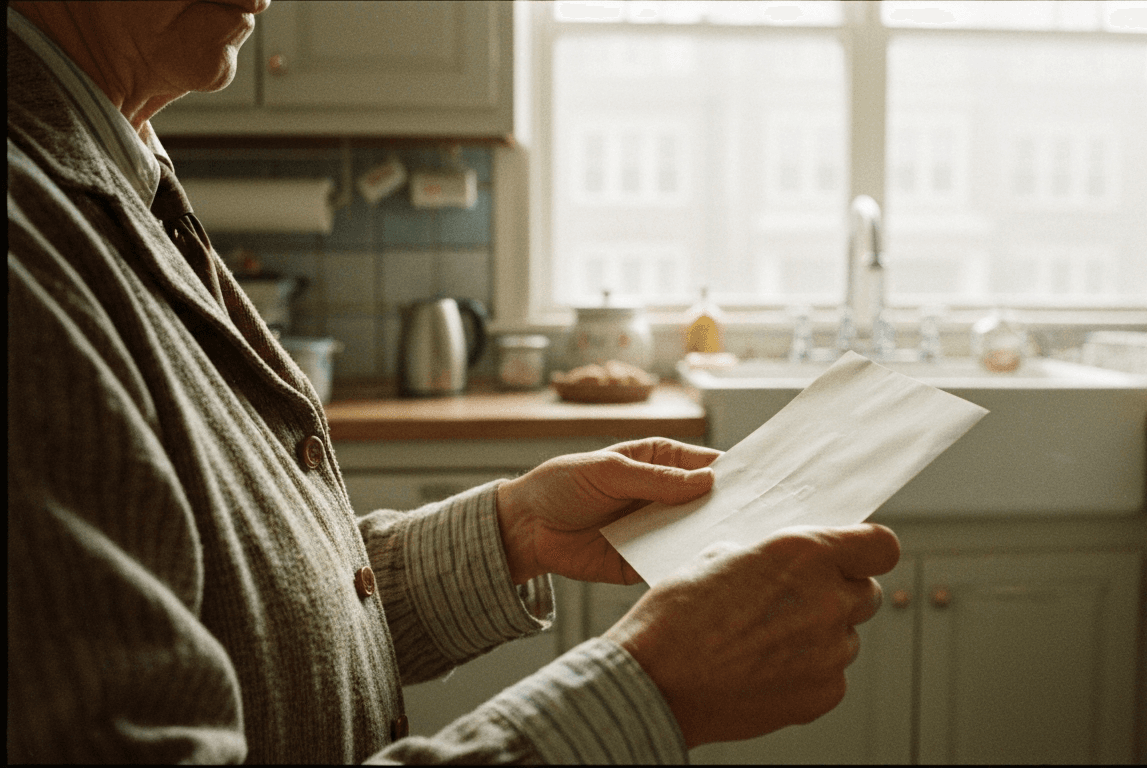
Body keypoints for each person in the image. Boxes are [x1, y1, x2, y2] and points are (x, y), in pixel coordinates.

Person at [6, 1, 901, 763]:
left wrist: (510, 530)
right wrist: (651, 688)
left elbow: (242, 626)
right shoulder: (26, 243)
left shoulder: (114, 167)